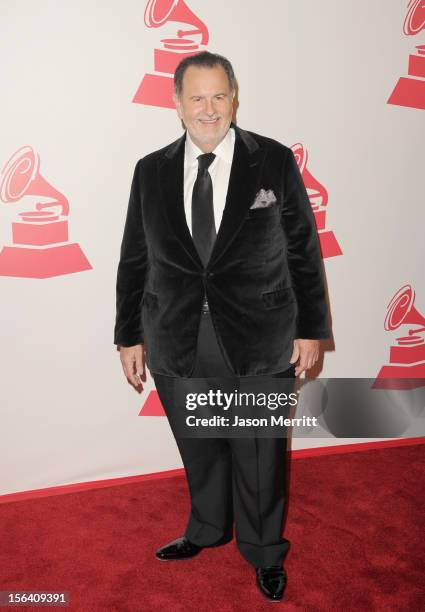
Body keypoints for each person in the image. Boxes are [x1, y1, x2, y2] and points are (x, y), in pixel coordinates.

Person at [114, 51, 330, 602]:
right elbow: (135, 257)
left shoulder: (274, 161)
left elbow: (304, 250)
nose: (208, 109)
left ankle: (263, 551)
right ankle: (208, 529)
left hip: (260, 334)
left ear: (235, 97)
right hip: (177, 333)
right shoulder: (150, 170)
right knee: (201, 445)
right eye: (196, 98)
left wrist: (310, 329)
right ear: (176, 103)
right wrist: (128, 334)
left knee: (259, 450)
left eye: (219, 96)